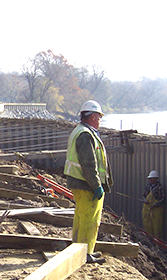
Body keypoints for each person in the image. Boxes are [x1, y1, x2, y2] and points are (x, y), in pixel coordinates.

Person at [64, 100, 113, 264]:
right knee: (89, 219)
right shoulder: (85, 135)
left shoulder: (81, 131)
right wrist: (97, 185)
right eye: (99, 117)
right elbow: (89, 164)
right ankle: (84, 253)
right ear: (92, 116)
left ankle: (80, 249)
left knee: (81, 216)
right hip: (86, 184)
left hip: (80, 182)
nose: (100, 120)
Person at [142, 170, 165, 238]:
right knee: (147, 225)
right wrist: (145, 200)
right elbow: (144, 196)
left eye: (152, 179)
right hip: (147, 209)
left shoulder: (160, 188)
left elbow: (162, 199)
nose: (150, 180)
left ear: (156, 179)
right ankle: (149, 240)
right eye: (150, 179)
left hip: (156, 211)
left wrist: (155, 205)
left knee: (156, 227)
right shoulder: (148, 187)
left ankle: (157, 243)